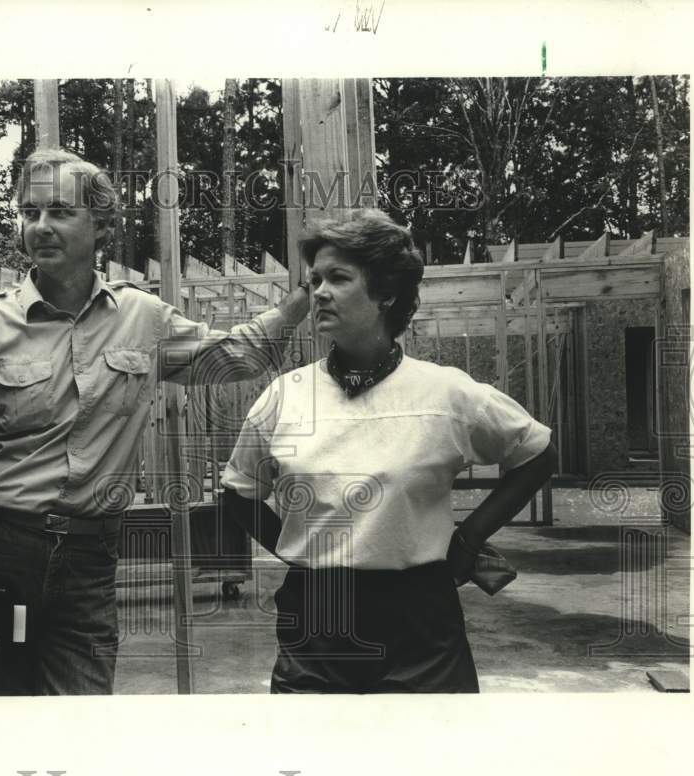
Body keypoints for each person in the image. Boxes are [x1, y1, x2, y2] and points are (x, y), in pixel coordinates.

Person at [0, 148, 310, 696]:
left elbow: (232, 359)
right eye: (29, 213)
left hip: (88, 561)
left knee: (85, 718)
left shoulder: (142, 319)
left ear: (99, 225)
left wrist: (299, 304)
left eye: (59, 212)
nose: (40, 227)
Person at [222, 208, 557, 693]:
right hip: (315, 626)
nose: (318, 293)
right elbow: (239, 491)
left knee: (426, 759)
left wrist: (468, 541)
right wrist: (301, 549)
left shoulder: (447, 394)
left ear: (386, 293)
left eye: (338, 278)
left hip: (420, 624)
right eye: (315, 279)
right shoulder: (285, 395)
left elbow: (537, 453)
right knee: (316, 759)